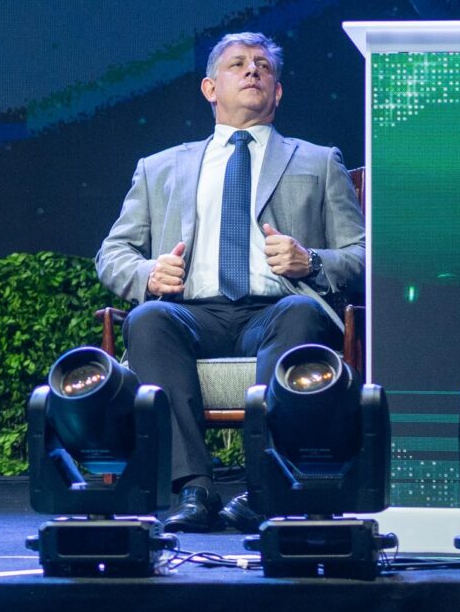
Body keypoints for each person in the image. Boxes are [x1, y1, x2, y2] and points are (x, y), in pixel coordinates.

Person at [94, 33, 365, 535]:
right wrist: (147, 273)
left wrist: (311, 261)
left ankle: (265, 488)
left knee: (302, 316)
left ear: (278, 92)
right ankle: (193, 489)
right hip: (194, 312)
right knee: (149, 318)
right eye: (237, 65)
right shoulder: (159, 168)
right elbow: (111, 254)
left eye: (263, 66)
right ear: (209, 88)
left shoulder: (317, 160)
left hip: (279, 308)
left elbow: (363, 255)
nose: (252, 72)